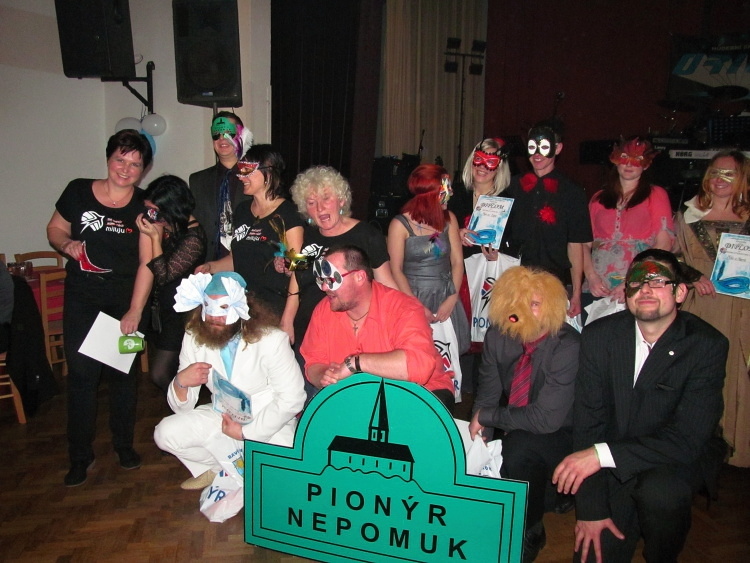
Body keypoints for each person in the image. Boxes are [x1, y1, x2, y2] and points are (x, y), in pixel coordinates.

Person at [552, 249, 728, 563]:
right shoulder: (599, 336)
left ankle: (663, 553)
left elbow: (687, 439)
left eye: (658, 281)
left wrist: (600, 455)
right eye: (636, 281)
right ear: (627, 292)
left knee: (661, 494)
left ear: (680, 292)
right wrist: (591, 510)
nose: (645, 289)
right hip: (614, 459)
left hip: (671, 461)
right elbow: (588, 423)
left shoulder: (706, 345)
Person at [46, 129, 154, 487]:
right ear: (109, 158)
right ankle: (80, 456)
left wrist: (135, 310)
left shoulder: (145, 207)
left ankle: (124, 446)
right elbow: (54, 228)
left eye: (135, 164)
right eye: (120, 159)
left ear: (144, 168)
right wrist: (66, 244)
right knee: (81, 376)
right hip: (83, 297)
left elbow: (147, 263)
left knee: (124, 376)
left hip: (125, 300)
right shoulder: (78, 190)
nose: (126, 169)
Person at [154, 272, 306, 492]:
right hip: (223, 415)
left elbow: (293, 399)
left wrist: (247, 433)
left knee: (281, 484)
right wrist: (181, 382)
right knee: (165, 433)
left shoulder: (272, 340)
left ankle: (237, 468)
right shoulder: (194, 337)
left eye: (224, 308)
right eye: (209, 307)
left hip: (267, 420)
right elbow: (182, 408)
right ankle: (216, 467)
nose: (215, 317)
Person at [469, 266, 579, 562]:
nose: (523, 310)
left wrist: (489, 417)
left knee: (518, 447)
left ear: (552, 306)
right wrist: (480, 443)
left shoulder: (567, 345)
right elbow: (487, 394)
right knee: (487, 445)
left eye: (535, 303)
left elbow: (545, 420)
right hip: (520, 422)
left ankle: (531, 530)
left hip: (564, 432)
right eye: (516, 301)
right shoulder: (498, 335)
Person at [299, 245, 456, 411]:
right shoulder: (324, 310)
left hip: (416, 395)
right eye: (322, 280)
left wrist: (356, 362)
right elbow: (313, 362)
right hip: (358, 398)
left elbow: (418, 367)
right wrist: (325, 376)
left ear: (359, 277)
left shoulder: (403, 308)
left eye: (331, 280)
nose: (324, 288)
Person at [675, 149, 750, 467]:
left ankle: (735, 448)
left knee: (738, 373)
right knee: (697, 373)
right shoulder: (688, 215)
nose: (720, 179)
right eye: (716, 172)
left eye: (729, 173)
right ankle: (693, 444)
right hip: (702, 307)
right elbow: (672, 259)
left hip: (742, 311)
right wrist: (692, 276)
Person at [196, 144, 303, 340]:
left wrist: (288, 319)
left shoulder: (289, 213)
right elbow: (237, 258)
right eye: (240, 170)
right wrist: (211, 267)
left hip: (275, 308)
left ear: (268, 172)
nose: (240, 176)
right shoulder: (242, 210)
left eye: (247, 171)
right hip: (243, 306)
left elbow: (300, 268)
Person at [289, 165, 397, 349]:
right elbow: (296, 276)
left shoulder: (367, 235)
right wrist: (287, 318)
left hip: (349, 334)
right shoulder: (308, 235)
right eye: (311, 202)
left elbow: (387, 284)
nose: (320, 208)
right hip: (306, 331)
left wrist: (406, 316)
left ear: (341, 200)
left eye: (326, 198)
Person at [501, 120, 593, 317]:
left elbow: (575, 245)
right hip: (516, 278)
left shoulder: (572, 192)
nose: (537, 154)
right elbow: (500, 232)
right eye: (532, 147)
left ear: (557, 148)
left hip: (554, 280)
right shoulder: (512, 187)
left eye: (544, 147)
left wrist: (576, 293)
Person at [388, 163, 469, 351]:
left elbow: (457, 262)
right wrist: (415, 306)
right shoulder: (400, 225)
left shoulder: (449, 219)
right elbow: (396, 270)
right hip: (413, 296)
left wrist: (451, 299)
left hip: (445, 295)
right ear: (430, 195)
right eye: (446, 190)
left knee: (449, 355)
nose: (451, 193)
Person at [136, 175, 207, 391]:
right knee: (170, 370)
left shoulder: (193, 237)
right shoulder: (170, 227)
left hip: (181, 315)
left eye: (155, 211)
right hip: (163, 310)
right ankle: (181, 405)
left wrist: (155, 239)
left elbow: (163, 275)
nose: (151, 216)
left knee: (160, 373)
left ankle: (184, 404)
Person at [584, 137, 674, 305]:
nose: (629, 164)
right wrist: (591, 277)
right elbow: (583, 244)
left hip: (639, 281)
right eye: (625, 157)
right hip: (597, 283)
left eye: (637, 159)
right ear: (615, 160)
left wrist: (632, 280)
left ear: (646, 165)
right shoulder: (598, 198)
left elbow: (664, 243)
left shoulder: (656, 194)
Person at [189, 111, 252, 262]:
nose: (222, 138)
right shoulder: (197, 180)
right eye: (216, 134)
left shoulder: (256, 177)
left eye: (229, 132)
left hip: (248, 264)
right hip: (208, 264)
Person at [454, 137, 512, 261]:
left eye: (491, 162)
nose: (482, 166)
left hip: (489, 270)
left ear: (499, 168)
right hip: (457, 265)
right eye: (479, 159)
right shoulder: (455, 193)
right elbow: (437, 232)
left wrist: (499, 256)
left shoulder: (506, 202)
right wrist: (455, 234)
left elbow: (512, 242)